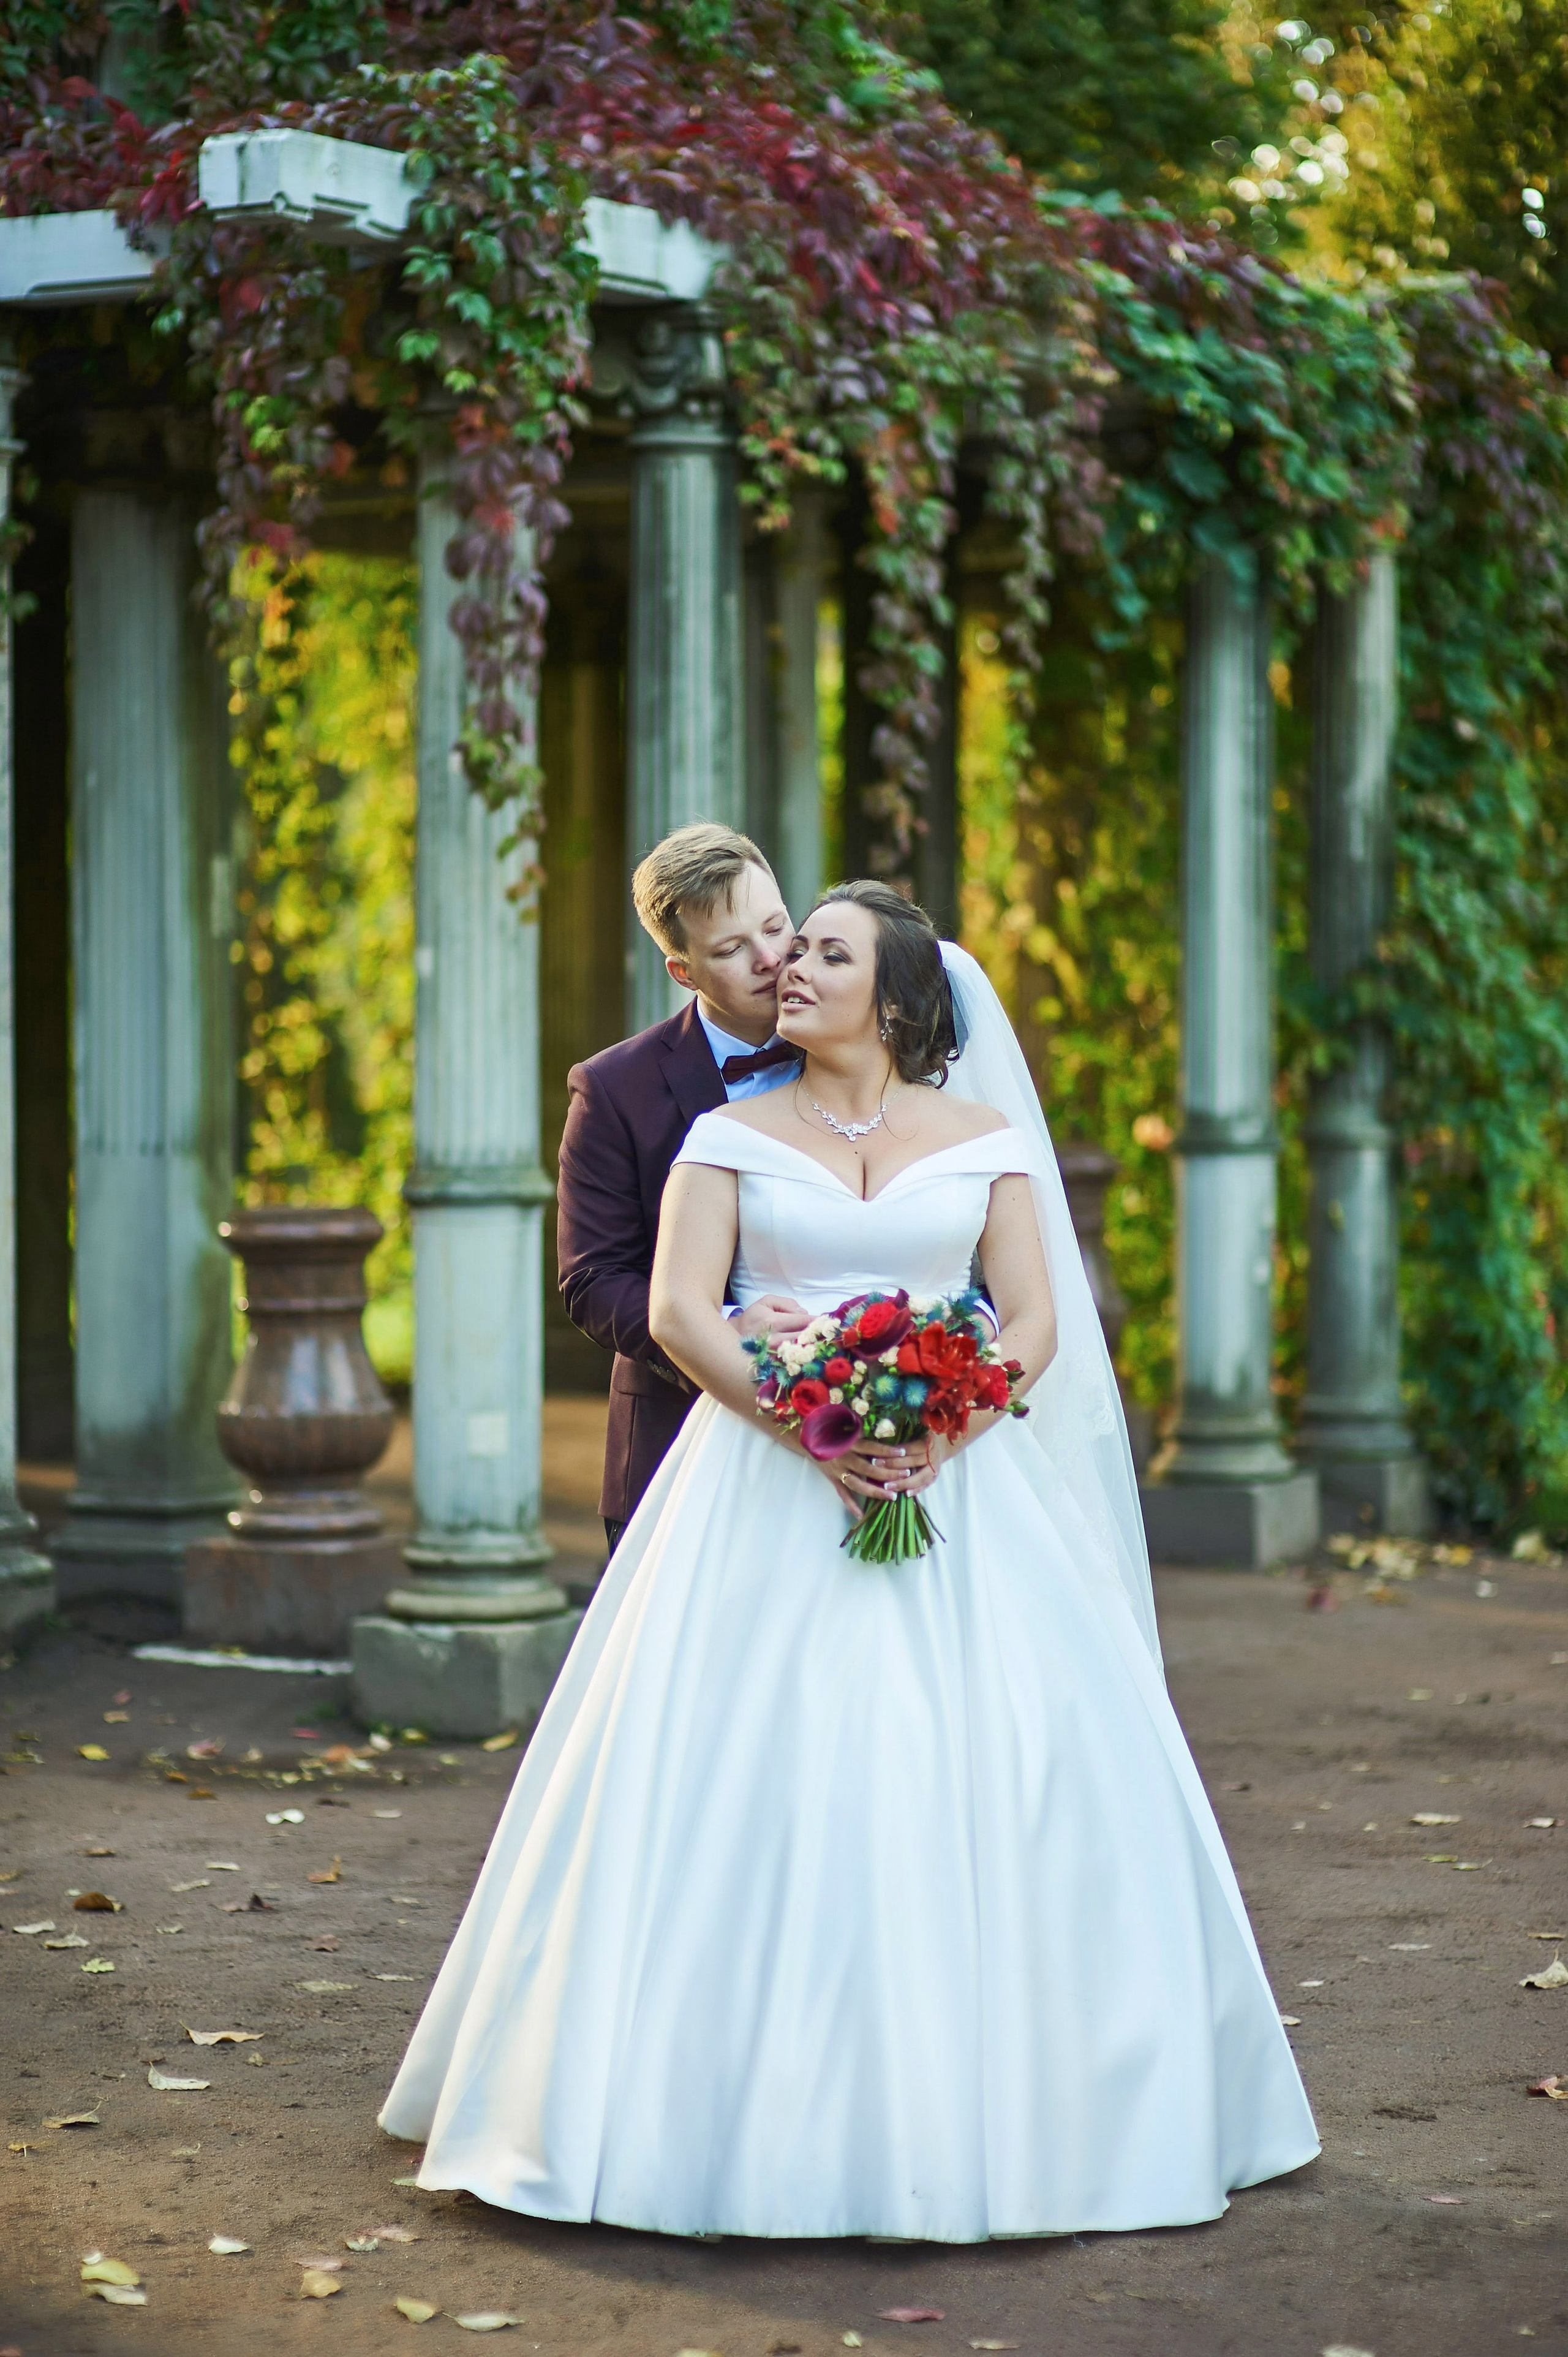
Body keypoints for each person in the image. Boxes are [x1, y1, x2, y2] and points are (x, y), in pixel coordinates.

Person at [381, 882, 1319, 2240]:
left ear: (892, 996)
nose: (788, 967)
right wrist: (807, 1425)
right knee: (733, 1783)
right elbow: (673, 1312)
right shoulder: (723, 1134)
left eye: (824, 951)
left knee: (1000, 1775)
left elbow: (1034, 1319)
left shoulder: (985, 1139)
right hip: (759, 1488)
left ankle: (1040, 2110)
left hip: (960, 1495)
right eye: (786, 947)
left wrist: (945, 1429)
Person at [555, 823, 810, 1557]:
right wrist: (719, 1330)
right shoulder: (612, 1090)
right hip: (677, 1440)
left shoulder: (868, 1048)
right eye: (731, 950)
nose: (770, 961)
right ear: (683, 972)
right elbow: (593, 1279)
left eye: (775, 926)